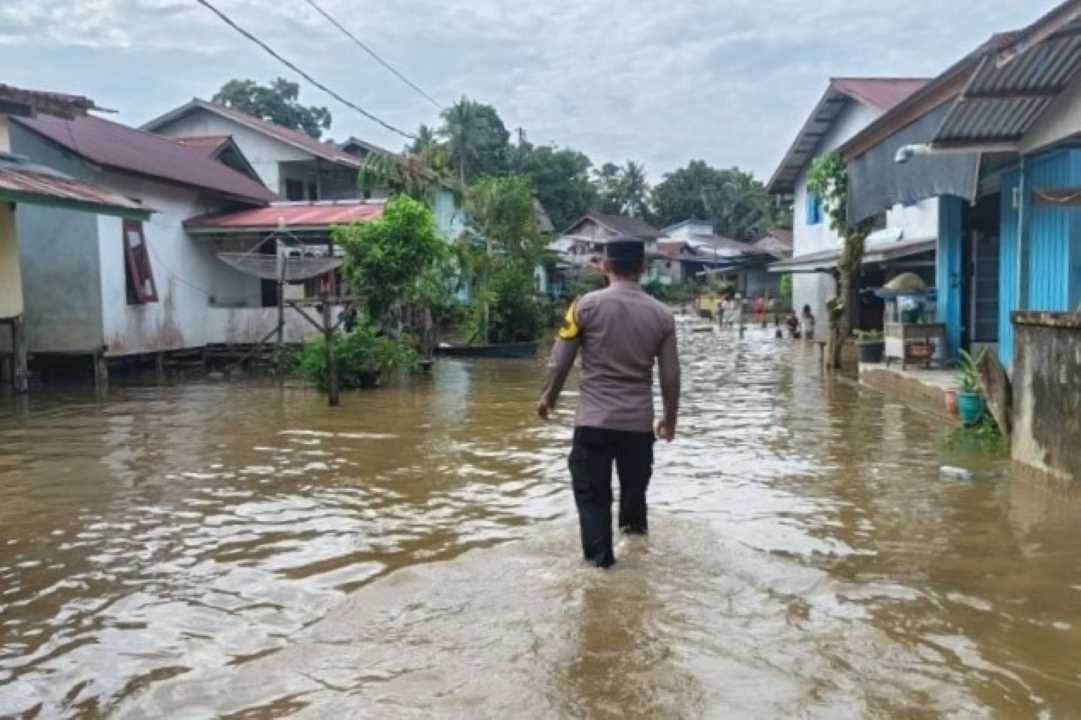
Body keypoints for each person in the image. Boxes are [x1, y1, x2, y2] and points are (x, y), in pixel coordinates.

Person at [538, 237, 681, 569]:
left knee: (593, 501)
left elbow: (559, 362)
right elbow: (670, 376)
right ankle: (638, 564)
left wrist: (548, 398)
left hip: (593, 423)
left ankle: (600, 571)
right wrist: (669, 420)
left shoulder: (583, 306)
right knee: (634, 503)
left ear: (604, 266)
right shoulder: (662, 315)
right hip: (637, 427)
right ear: (643, 269)